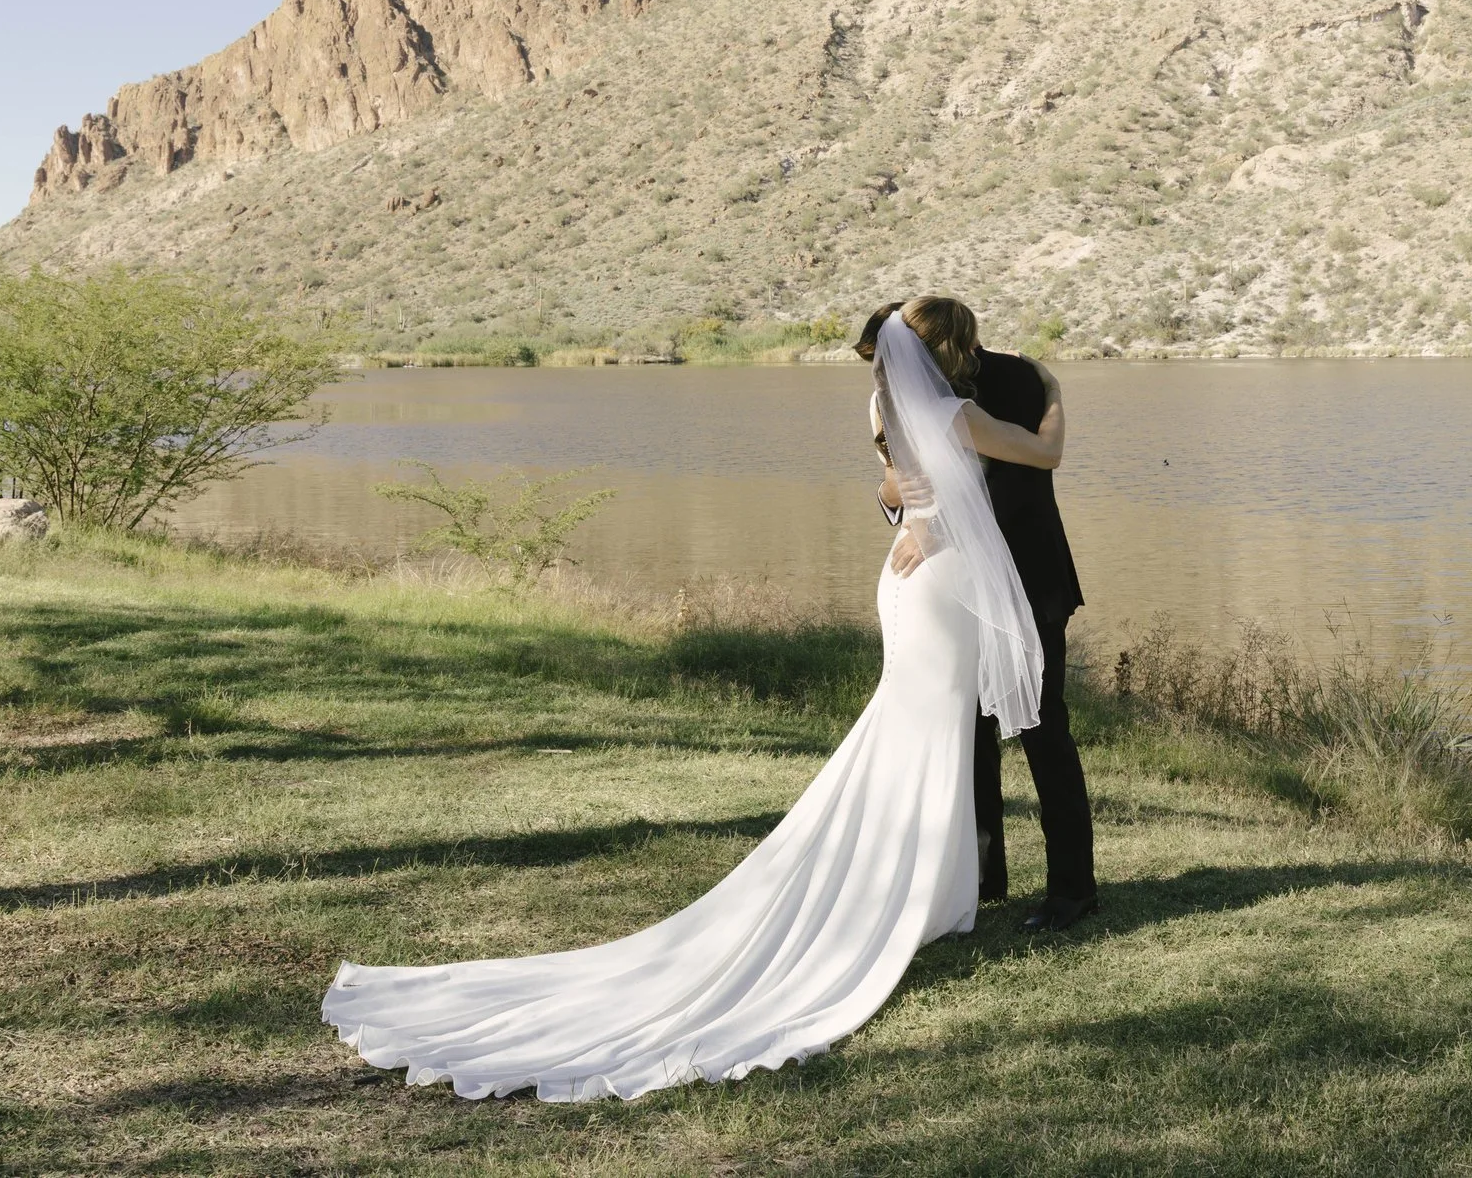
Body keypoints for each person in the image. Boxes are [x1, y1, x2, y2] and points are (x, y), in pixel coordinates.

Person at [319, 307, 1048, 1101]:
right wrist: (1051, 390)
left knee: (917, 732)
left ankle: (932, 892)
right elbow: (1044, 452)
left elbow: (896, 486)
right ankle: (918, 897)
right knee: (926, 733)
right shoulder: (959, 414)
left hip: (907, 580)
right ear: (953, 350)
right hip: (938, 586)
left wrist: (914, 508)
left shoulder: (886, 409)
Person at [858, 298, 1095, 931]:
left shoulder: (1015, 378)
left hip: (1029, 579)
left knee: (1043, 727)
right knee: (965, 728)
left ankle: (1072, 889)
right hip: (951, 585)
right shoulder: (899, 394)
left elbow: (1026, 477)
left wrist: (939, 527)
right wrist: (895, 498)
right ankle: (981, 875)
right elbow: (898, 481)